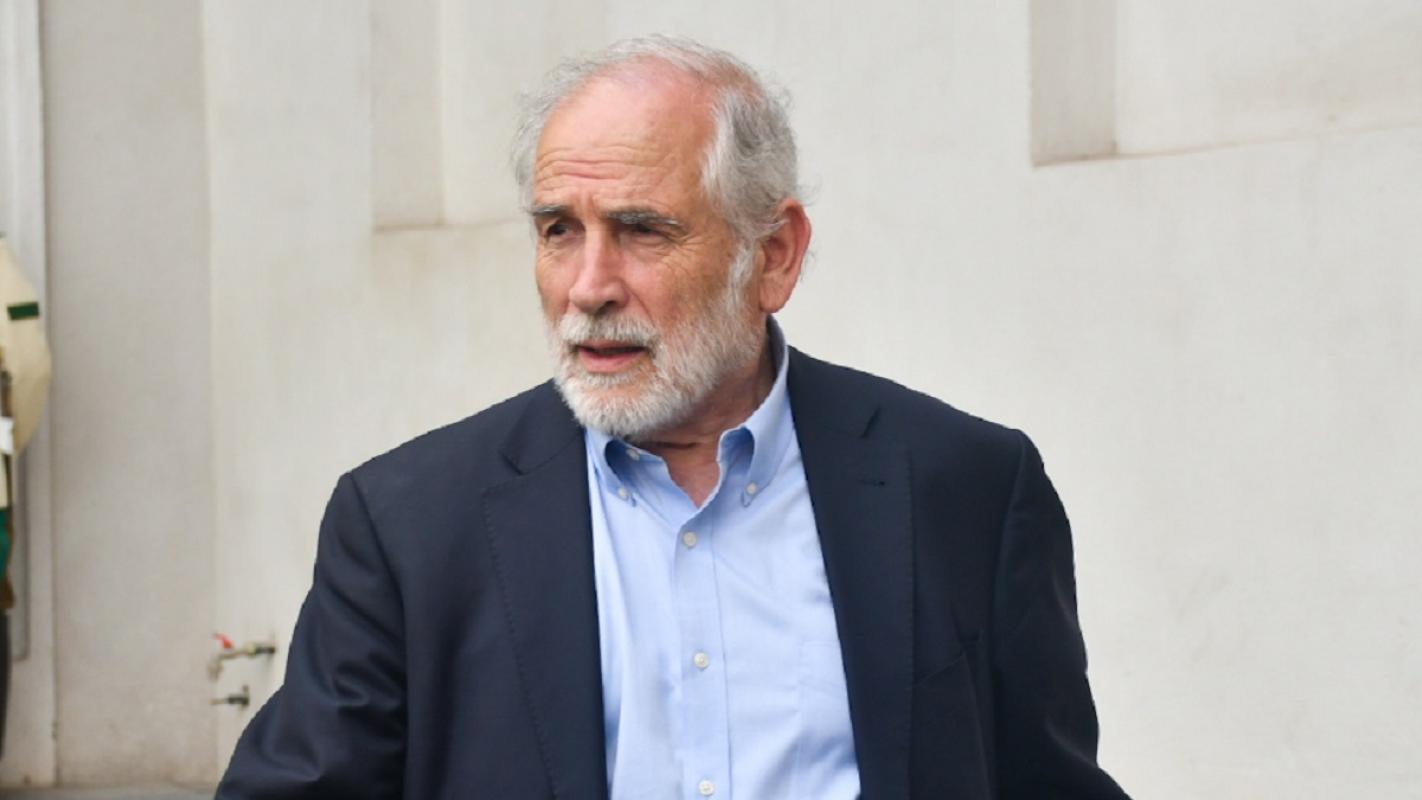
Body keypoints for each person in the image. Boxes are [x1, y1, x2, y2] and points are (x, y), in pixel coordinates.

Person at [218, 36, 1130, 799]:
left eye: (642, 230)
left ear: (773, 256)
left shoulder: (964, 487)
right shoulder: (410, 526)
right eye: (558, 230)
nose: (589, 287)